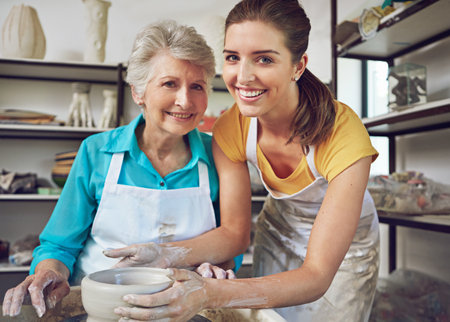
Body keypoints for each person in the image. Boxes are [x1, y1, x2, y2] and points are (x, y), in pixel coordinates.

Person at [110, 1, 380, 321]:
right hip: (278, 232)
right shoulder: (231, 127)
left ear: (298, 65)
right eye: (233, 58)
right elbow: (234, 234)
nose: (243, 77)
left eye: (264, 59)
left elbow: (317, 275)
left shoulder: (343, 132)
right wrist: (164, 255)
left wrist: (207, 293)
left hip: (345, 252)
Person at [2, 20, 250, 319]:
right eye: (169, 83)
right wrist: (48, 271)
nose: (185, 100)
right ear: (138, 92)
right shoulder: (97, 152)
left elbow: (231, 242)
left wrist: (220, 266)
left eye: (196, 86)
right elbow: (59, 245)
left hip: (185, 312)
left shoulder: (219, 156)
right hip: (99, 310)